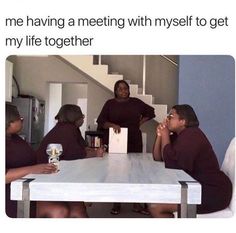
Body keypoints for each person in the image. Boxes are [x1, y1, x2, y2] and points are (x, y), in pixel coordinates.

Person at [149, 104, 232, 217]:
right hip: (196, 187)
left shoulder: (192, 135)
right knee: (153, 199)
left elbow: (173, 163)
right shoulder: (181, 135)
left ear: (183, 121)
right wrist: (160, 135)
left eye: (171, 116)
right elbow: (158, 157)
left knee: (155, 207)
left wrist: (165, 135)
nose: (167, 119)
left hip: (212, 191)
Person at [97, 80, 155, 215]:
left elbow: (151, 112)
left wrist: (139, 122)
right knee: (117, 171)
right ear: (115, 91)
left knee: (135, 170)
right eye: (120, 89)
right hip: (116, 139)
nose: (123, 91)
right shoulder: (110, 104)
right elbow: (101, 122)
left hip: (134, 138)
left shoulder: (136, 102)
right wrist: (112, 125)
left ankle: (136, 203)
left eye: (125, 88)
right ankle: (117, 203)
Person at [36, 104, 105, 218]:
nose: (83, 118)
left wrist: (93, 151)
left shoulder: (69, 128)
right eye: (81, 116)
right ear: (74, 117)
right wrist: (96, 153)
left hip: (58, 174)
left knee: (78, 208)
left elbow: (82, 147)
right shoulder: (67, 129)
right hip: (50, 177)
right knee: (79, 211)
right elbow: (76, 154)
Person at [5, 103, 58, 218]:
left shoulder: (14, 138)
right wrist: (34, 169)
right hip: (10, 196)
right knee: (59, 211)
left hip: (27, 190)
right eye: (20, 118)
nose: (22, 121)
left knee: (67, 208)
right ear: (9, 122)